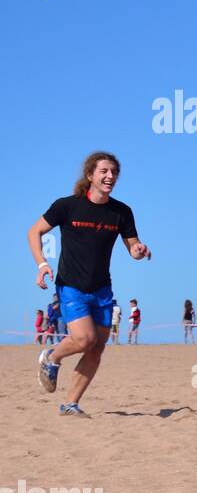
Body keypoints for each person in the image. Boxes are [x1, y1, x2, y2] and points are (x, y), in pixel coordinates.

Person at [27, 152, 151, 416]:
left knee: (97, 348)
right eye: (104, 171)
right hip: (71, 285)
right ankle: (52, 357)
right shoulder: (67, 206)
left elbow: (132, 248)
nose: (110, 176)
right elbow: (34, 231)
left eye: (114, 172)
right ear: (90, 175)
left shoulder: (121, 212)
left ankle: (70, 403)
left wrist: (139, 250)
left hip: (102, 289)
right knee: (84, 339)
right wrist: (42, 264)